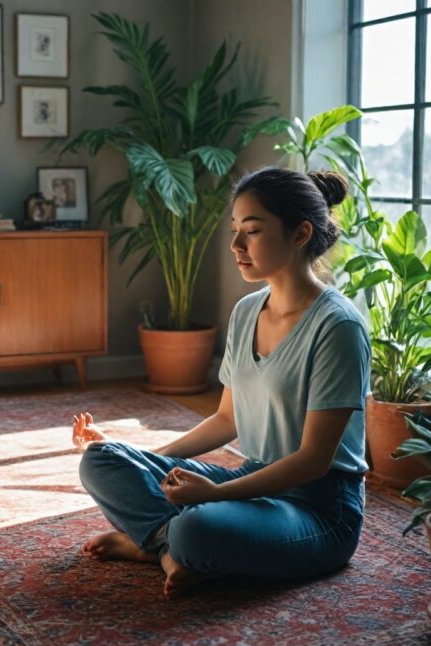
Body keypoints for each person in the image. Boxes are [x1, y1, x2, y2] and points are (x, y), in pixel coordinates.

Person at [72, 167, 370, 598]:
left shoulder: (339, 327)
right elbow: (227, 418)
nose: (235, 245)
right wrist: (140, 457)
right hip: (253, 481)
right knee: (100, 460)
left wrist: (217, 494)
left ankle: (165, 544)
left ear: (301, 233)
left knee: (198, 528)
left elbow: (313, 461)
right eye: (235, 230)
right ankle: (164, 550)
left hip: (318, 508)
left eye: (251, 231)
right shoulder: (248, 310)